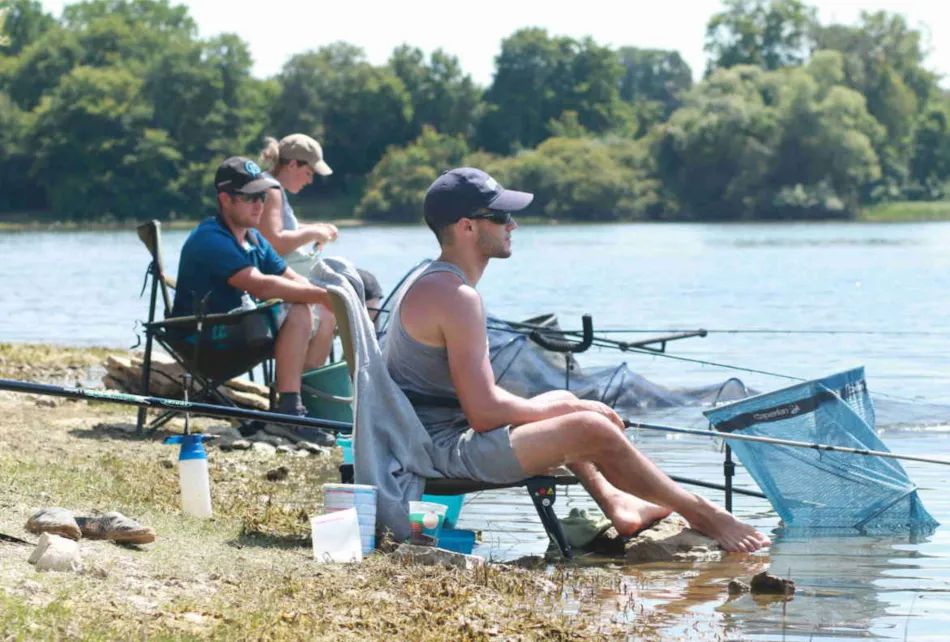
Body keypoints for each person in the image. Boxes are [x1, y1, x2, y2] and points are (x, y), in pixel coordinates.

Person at [384, 168, 771, 553]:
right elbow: (484, 413)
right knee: (588, 426)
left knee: (569, 406)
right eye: (500, 217)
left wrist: (564, 404)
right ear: (467, 227)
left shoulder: (436, 282)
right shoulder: (454, 295)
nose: (513, 225)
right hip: (438, 451)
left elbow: (478, 403)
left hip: (435, 436)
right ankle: (704, 514)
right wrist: (572, 409)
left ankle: (617, 502)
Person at [171, 156, 336, 446]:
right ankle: (289, 413)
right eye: (250, 198)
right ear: (225, 199)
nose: (260, 204)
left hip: (243, 330)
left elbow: (289, 277)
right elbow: (260, 285)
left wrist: (332, 297)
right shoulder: (210, 238)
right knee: (300, 308)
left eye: (262, 196)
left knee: (320, 309)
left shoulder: (256, 239)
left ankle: (305, 406)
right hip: (207, 340)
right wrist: (319, 295)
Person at [256, 133, 339, 369]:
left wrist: (316, 228)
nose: (310, 180)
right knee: (330, 312)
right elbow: (273, 241)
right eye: (309, 172)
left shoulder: (271, 187)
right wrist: (313, 234)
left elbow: (279, 229)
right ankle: (309, 390)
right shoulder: (271, 189)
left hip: (283, 278)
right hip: (276, 286)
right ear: (292, 165)